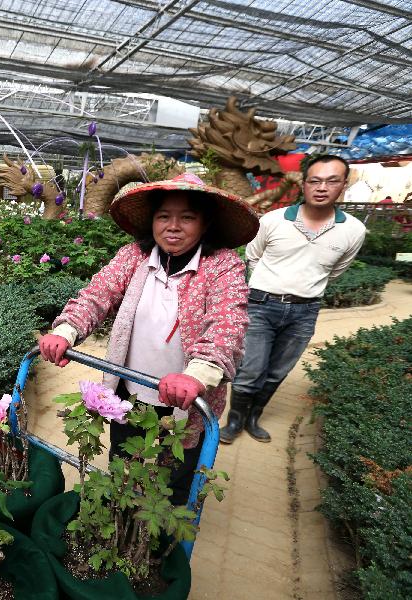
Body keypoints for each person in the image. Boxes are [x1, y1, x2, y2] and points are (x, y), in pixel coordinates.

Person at [39, 172, 257, 505]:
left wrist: (197, 374)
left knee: (174, 478)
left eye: (187, 217)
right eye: (164, 216)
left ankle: (156, 543)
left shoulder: (222, 266)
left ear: (205, 223)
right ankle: (119, 519)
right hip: (132, 388)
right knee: (124, 465)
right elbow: (98, 294)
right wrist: (65, 330)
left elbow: (228, 324)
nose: (173, 226)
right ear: (152, 222)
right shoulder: (135, 257)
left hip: (187, 399)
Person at [221, 155, 366, 444]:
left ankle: (254, 417)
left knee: (277, 371)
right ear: (304, 184)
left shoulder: (354, 231)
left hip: (305, 310)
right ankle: (234, 420)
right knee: (250, 368)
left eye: (332, 180)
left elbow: (335, 270)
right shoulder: (274, 220)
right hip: (261, 305)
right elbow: (252, 256)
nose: (322, 187)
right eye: (315, 180)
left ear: (344, 185)